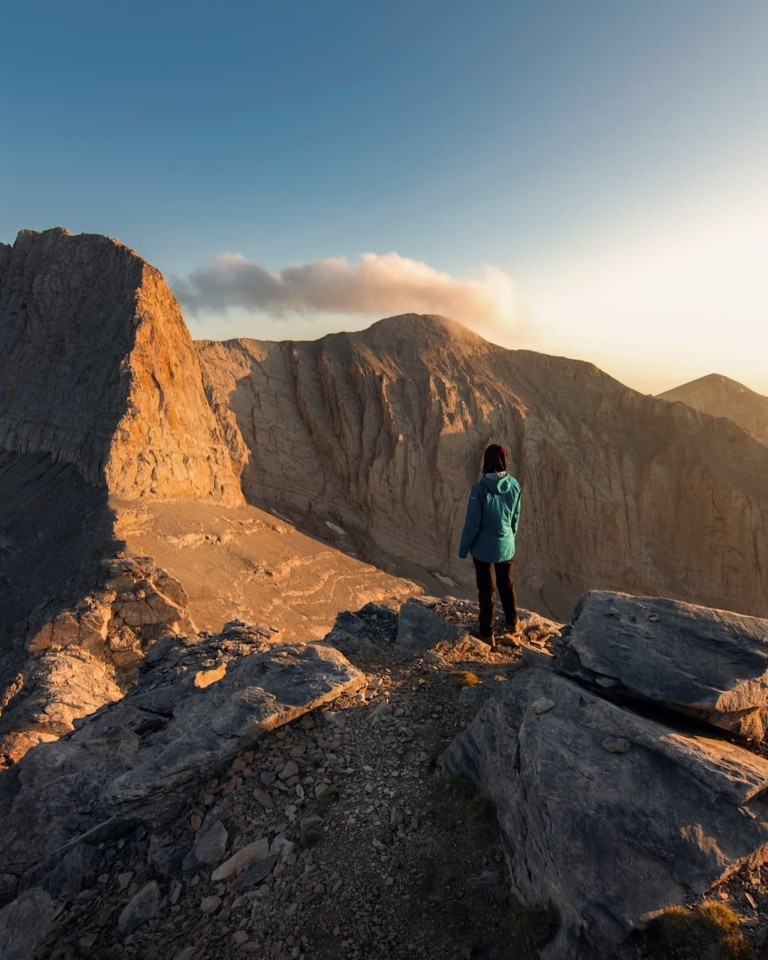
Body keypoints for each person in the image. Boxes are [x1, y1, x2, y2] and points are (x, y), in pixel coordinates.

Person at [458, 443, 522, 649]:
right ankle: (513, 623)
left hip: (483, 549)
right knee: (507, 584)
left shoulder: (479, 490)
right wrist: (510, 537)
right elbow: (515, 517)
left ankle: (487, 634)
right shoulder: (514, 485)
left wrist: (464, 548)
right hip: (506, 545)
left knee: (486, 590)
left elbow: (472, 524)